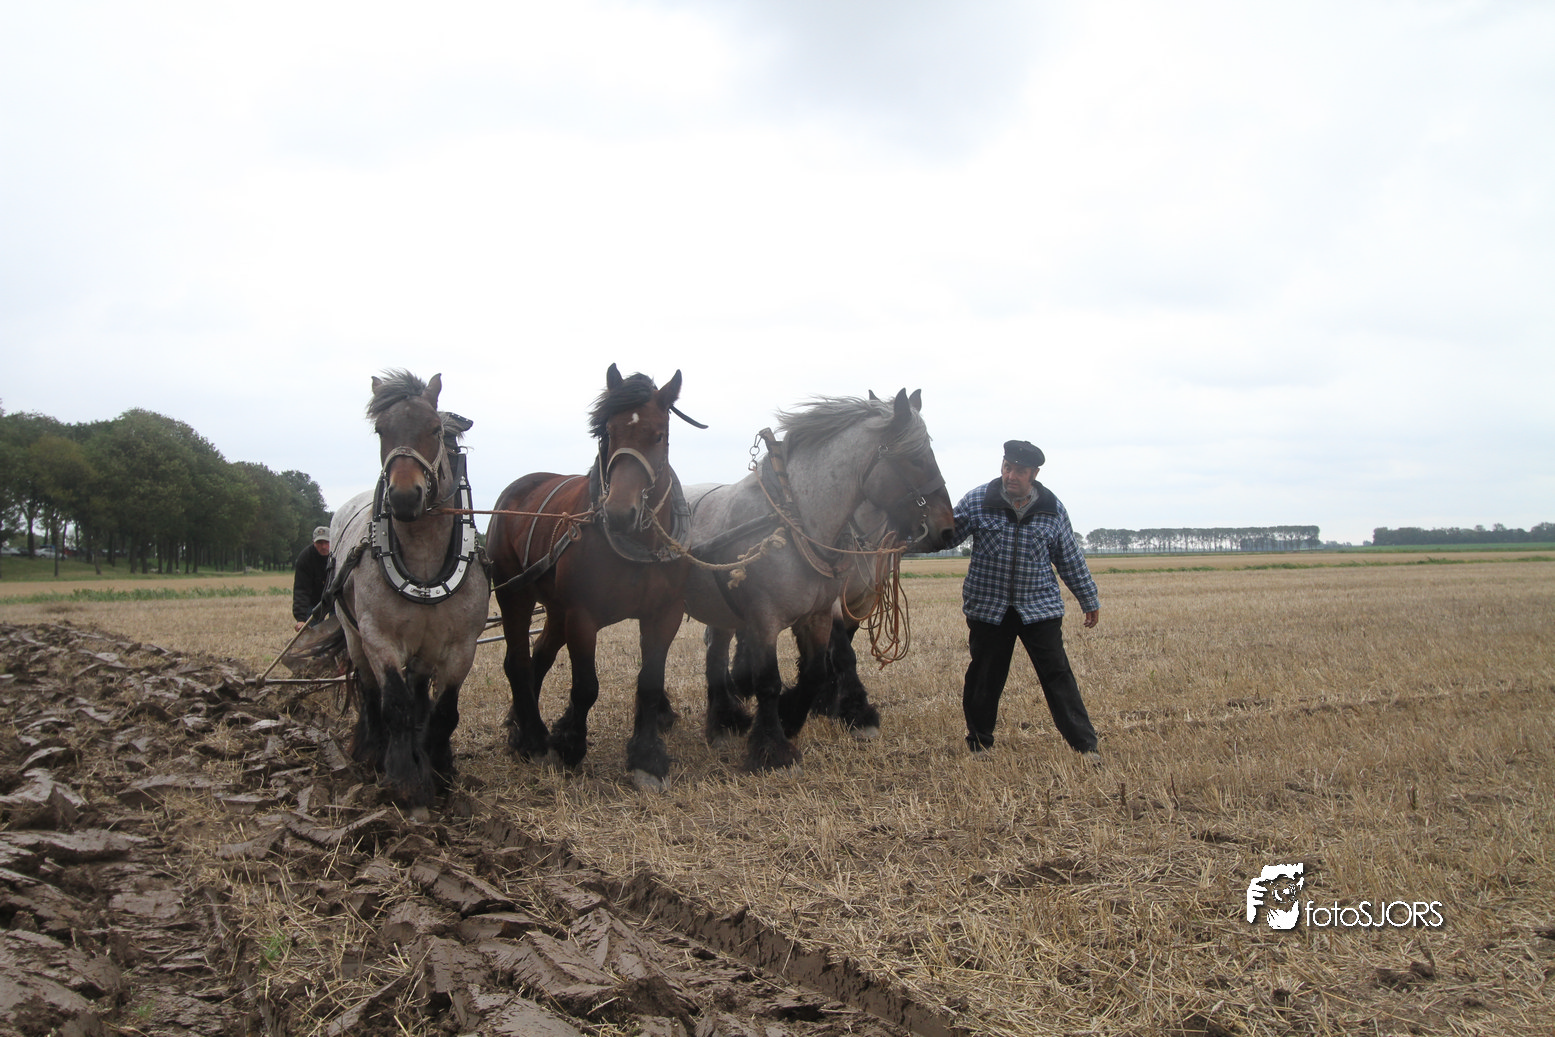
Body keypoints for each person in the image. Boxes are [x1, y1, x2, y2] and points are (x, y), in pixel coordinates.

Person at [947, 440, 1102, 763]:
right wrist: (902, 538)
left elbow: (1069, 558)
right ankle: (980, 745)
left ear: (1034, 474)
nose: (1011, 476)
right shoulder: (978, 500)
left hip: (1039, 608)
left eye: (1019, 471)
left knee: (1058, 676)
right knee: (984, 677)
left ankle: (1086, 748)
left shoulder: (1052, 508)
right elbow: (945, 535)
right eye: (1007, 468)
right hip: (989, 609)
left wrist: (1088, 597)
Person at [291, 526, 331, 630]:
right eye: (319, 543)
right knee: (312, 632)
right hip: (314, 600)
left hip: (336, 599)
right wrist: (301, 619)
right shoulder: (305, 558)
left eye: (326, 542)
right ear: (314, 542)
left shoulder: (338, 555)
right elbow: (301, 590)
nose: (323, 546)